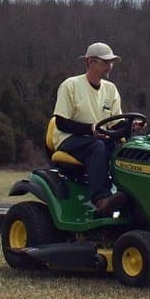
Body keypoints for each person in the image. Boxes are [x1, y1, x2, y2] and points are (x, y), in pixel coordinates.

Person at [52, 42, 133, 215]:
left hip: (97, 138)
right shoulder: (71, 85)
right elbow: (61, 123)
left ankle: (131, 194)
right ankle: (101, 199)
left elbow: (115, 124)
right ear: (90, 62)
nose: (109, 66)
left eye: (111, 62)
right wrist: (90, 129)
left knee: (128, 147)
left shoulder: (110, 89)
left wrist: (130, 126)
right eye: (105, 62)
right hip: (69, 139)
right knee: (97, 147)